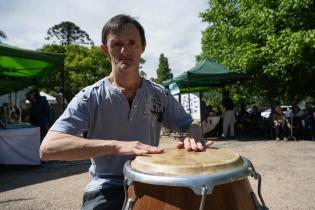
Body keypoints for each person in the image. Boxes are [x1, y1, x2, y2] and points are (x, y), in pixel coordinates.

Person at [39, 14, 213, 210]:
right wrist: (116, 146)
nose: (125, 50)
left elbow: (189, 123)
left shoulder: (159, 94)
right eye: (117, 44)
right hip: (107, 186)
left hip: (152, 180)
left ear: (143, 47)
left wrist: (195, 132)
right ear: (105, 49)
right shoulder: (89, 97)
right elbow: (47, 148)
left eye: (132, 42)